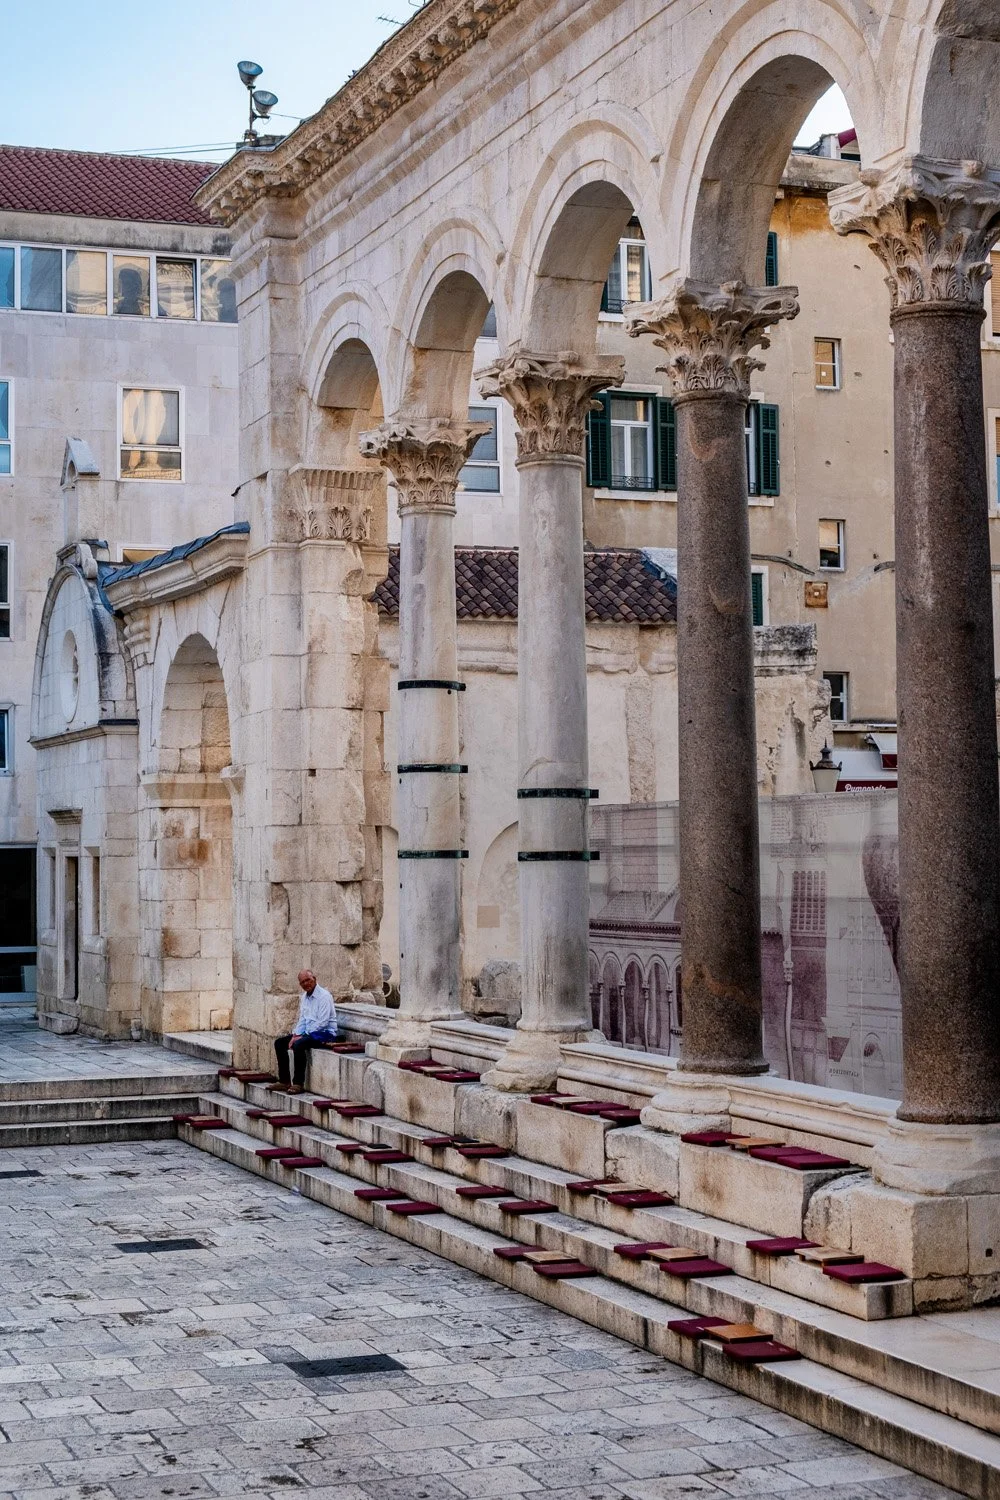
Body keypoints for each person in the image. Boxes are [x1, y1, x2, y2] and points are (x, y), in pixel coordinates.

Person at [271, 971, 340, 1094]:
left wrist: (302, 1036)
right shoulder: (304, 997)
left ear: (314, 979)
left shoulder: (324, 996)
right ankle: (284, 1081)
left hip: (325, 1033)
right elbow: (303, 1019)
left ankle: (298, 1083)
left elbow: (322, 1023)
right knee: (280, 1043)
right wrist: (295, 1035)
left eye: (308, 980)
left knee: (299, 1044)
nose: (306, 984)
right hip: (310, 1032)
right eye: (302, 982)